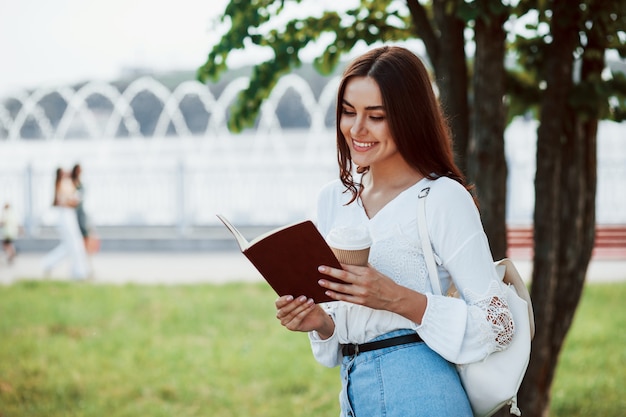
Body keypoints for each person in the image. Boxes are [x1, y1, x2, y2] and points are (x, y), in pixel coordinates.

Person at [274, 46, 515, 416]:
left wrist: (397, 298)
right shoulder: (333, 200)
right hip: (354, 392)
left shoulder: (440, 197)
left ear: (408, 117)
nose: (357, 129)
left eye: (376, 116)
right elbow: (342, 330)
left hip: (421, 388)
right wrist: (321, 323)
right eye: (348, 112)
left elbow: (498, 324)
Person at [42, 167, 90, 279]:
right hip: (66, 217)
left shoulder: (64, 184)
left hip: (69, 216)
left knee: (72, 245)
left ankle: (77, 270)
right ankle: (78, 271)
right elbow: (63, 202)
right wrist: (72, 201)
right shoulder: (63, 184)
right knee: (73, 244)